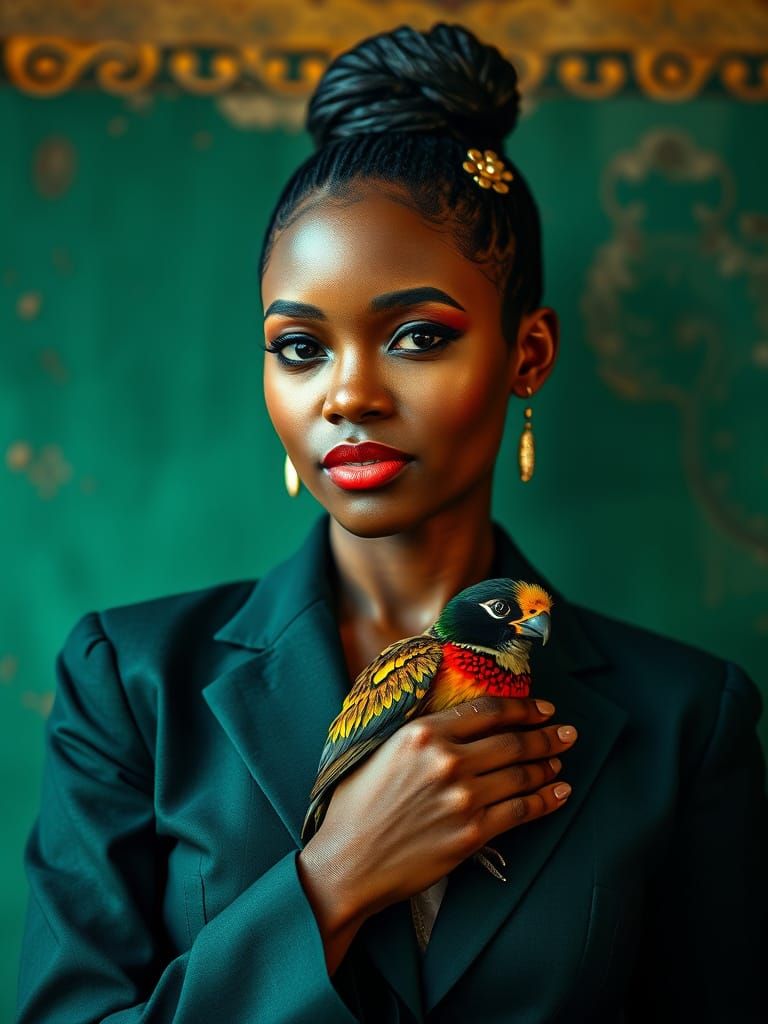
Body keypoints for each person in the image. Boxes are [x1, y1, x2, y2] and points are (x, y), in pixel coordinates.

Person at [15, 21, 768, 1024]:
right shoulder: (133, 685)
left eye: (417, 336)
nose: (348, 395)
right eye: (300, 347)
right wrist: (335, 877)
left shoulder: (685, 718)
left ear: (529, 354)